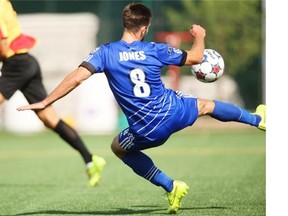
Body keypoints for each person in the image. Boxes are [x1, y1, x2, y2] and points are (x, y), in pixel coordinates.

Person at [17, 2, 266, 214]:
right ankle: (258, 120)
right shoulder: (154, 50)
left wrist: (46, 101)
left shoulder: (105, 53)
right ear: (144, 28)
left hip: (147, 130)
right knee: (207, 105)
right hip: (174, 111)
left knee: (118, 147)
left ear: (125, 24)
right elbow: (197, 58)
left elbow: (77, 77)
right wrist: (199, 35)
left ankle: (170, 186)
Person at [0, 0, 106, 187]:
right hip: (26, 62)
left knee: (50, 118)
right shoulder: (4, 3)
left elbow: (3, 44)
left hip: (17, 64)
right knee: (50, 119)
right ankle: (90, 159)